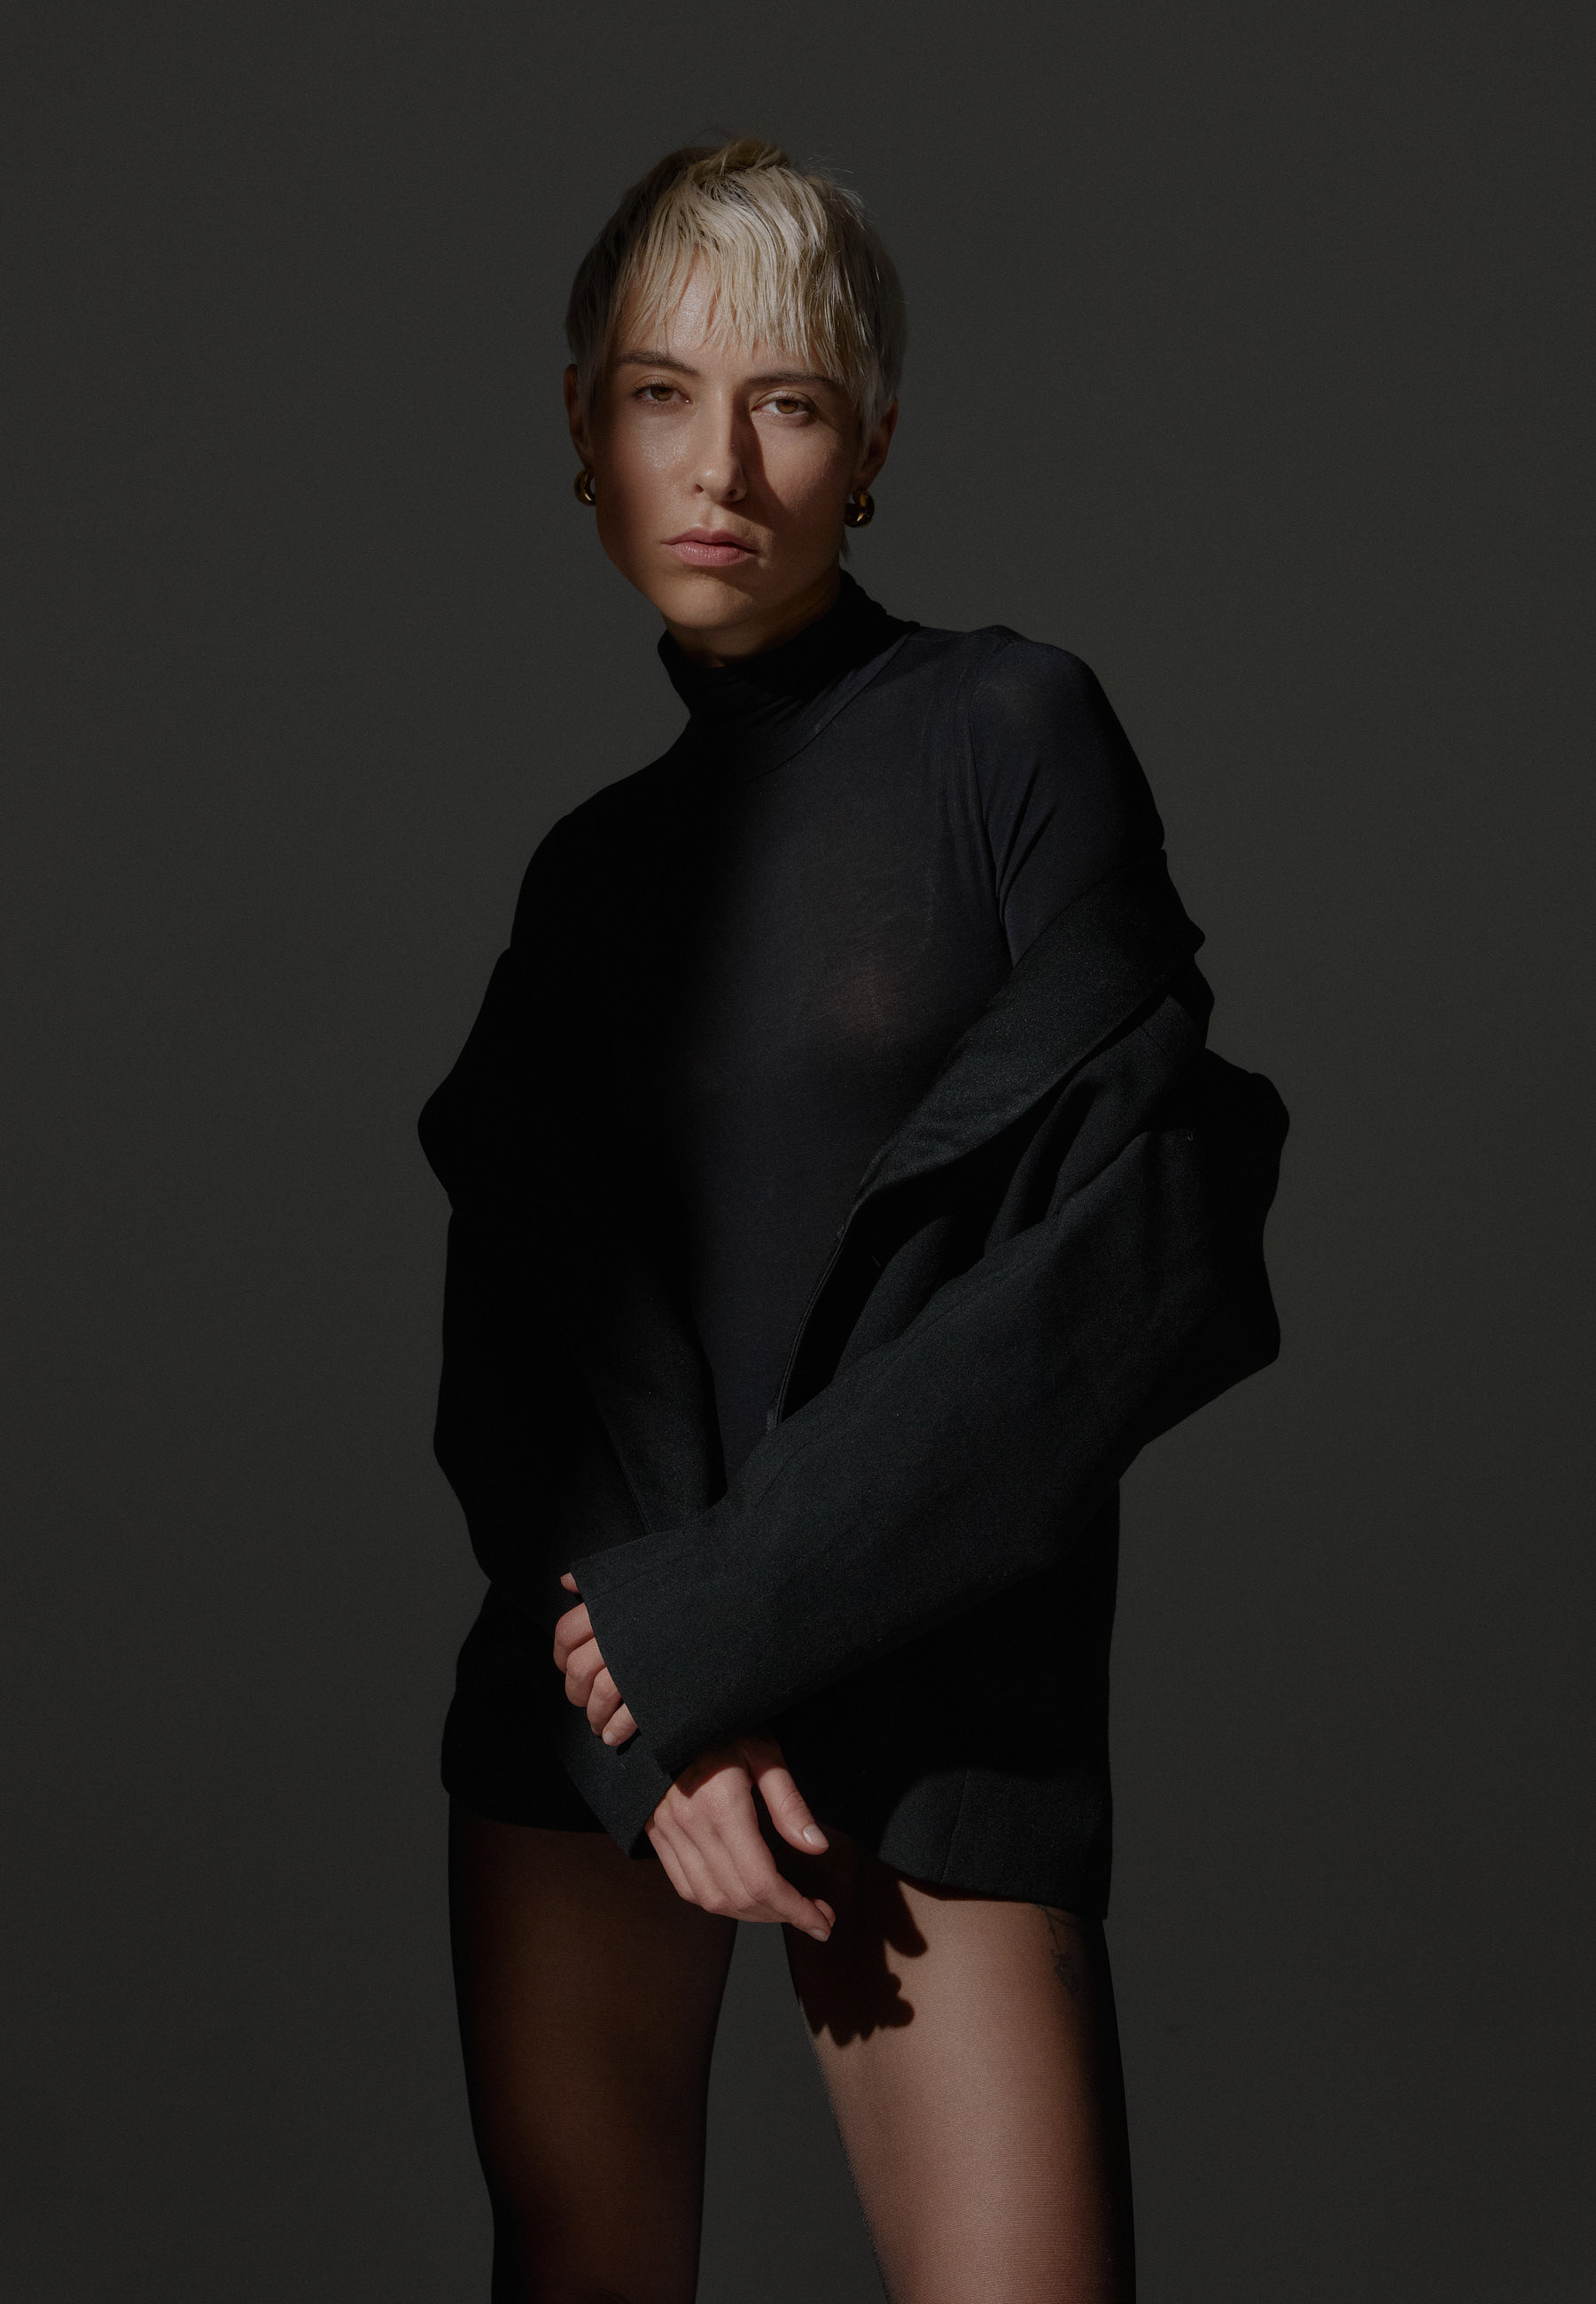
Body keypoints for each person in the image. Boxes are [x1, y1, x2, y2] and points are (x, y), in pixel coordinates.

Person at [419, 139, 1286, 2304]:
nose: (720, 466)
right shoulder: (582, 876)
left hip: (912, 1667)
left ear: (873, 446)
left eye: (788, 403)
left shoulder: (1007, 731)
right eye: (659, 396)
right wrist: (660, 1701)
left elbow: (1150, 1239)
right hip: (605, 1703)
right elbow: (521, 1361)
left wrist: (740, 1617)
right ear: (581, 427)